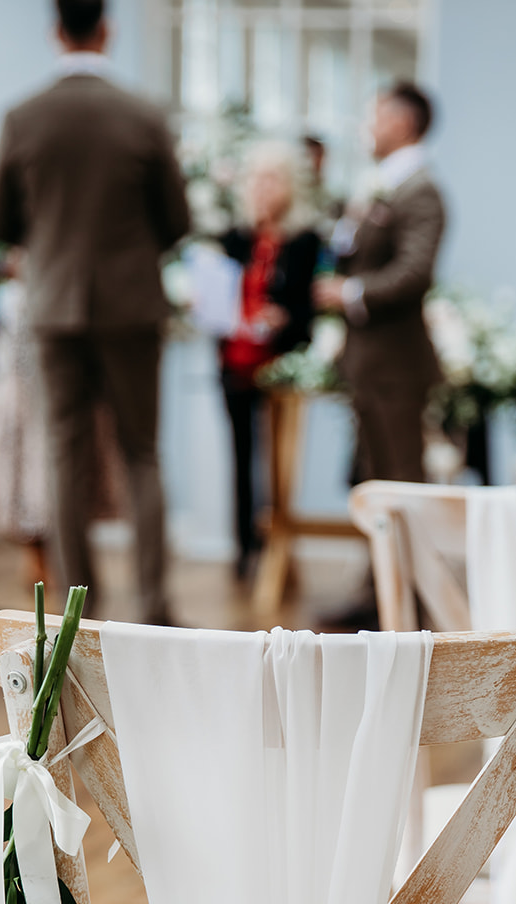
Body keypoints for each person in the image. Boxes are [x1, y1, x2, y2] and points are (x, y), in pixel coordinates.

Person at [0, 0, 190, 623]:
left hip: (52, 308)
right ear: (108, 29)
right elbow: (178, 220)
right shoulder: (144, 114)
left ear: (56, 33)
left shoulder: (22, 118)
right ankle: (155, 607)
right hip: (132, 307)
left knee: (63, 456)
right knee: (142, 454)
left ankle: (83, 616)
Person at [315, 82, 445, 487]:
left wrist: (350, 292)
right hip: (366, 361)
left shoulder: (420, 191)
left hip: (396, 365)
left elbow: (414, 272)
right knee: (372, 482)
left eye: (376, 116)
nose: (367, 127)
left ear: (402, 123)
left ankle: (403, 555)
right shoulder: (377, 185)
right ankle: (379, 554)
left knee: (401, 481)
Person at [219, 144, 319, 580]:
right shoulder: (233, 239)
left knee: (279, 462)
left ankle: (280, 547)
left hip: (280, 365)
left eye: (272, 179)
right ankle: (246, 547)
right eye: (256, 179)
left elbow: (309, 308)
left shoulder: (305, 241)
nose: (262, 188)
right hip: (235, 360)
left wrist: (283, 317)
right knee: (239, 456)